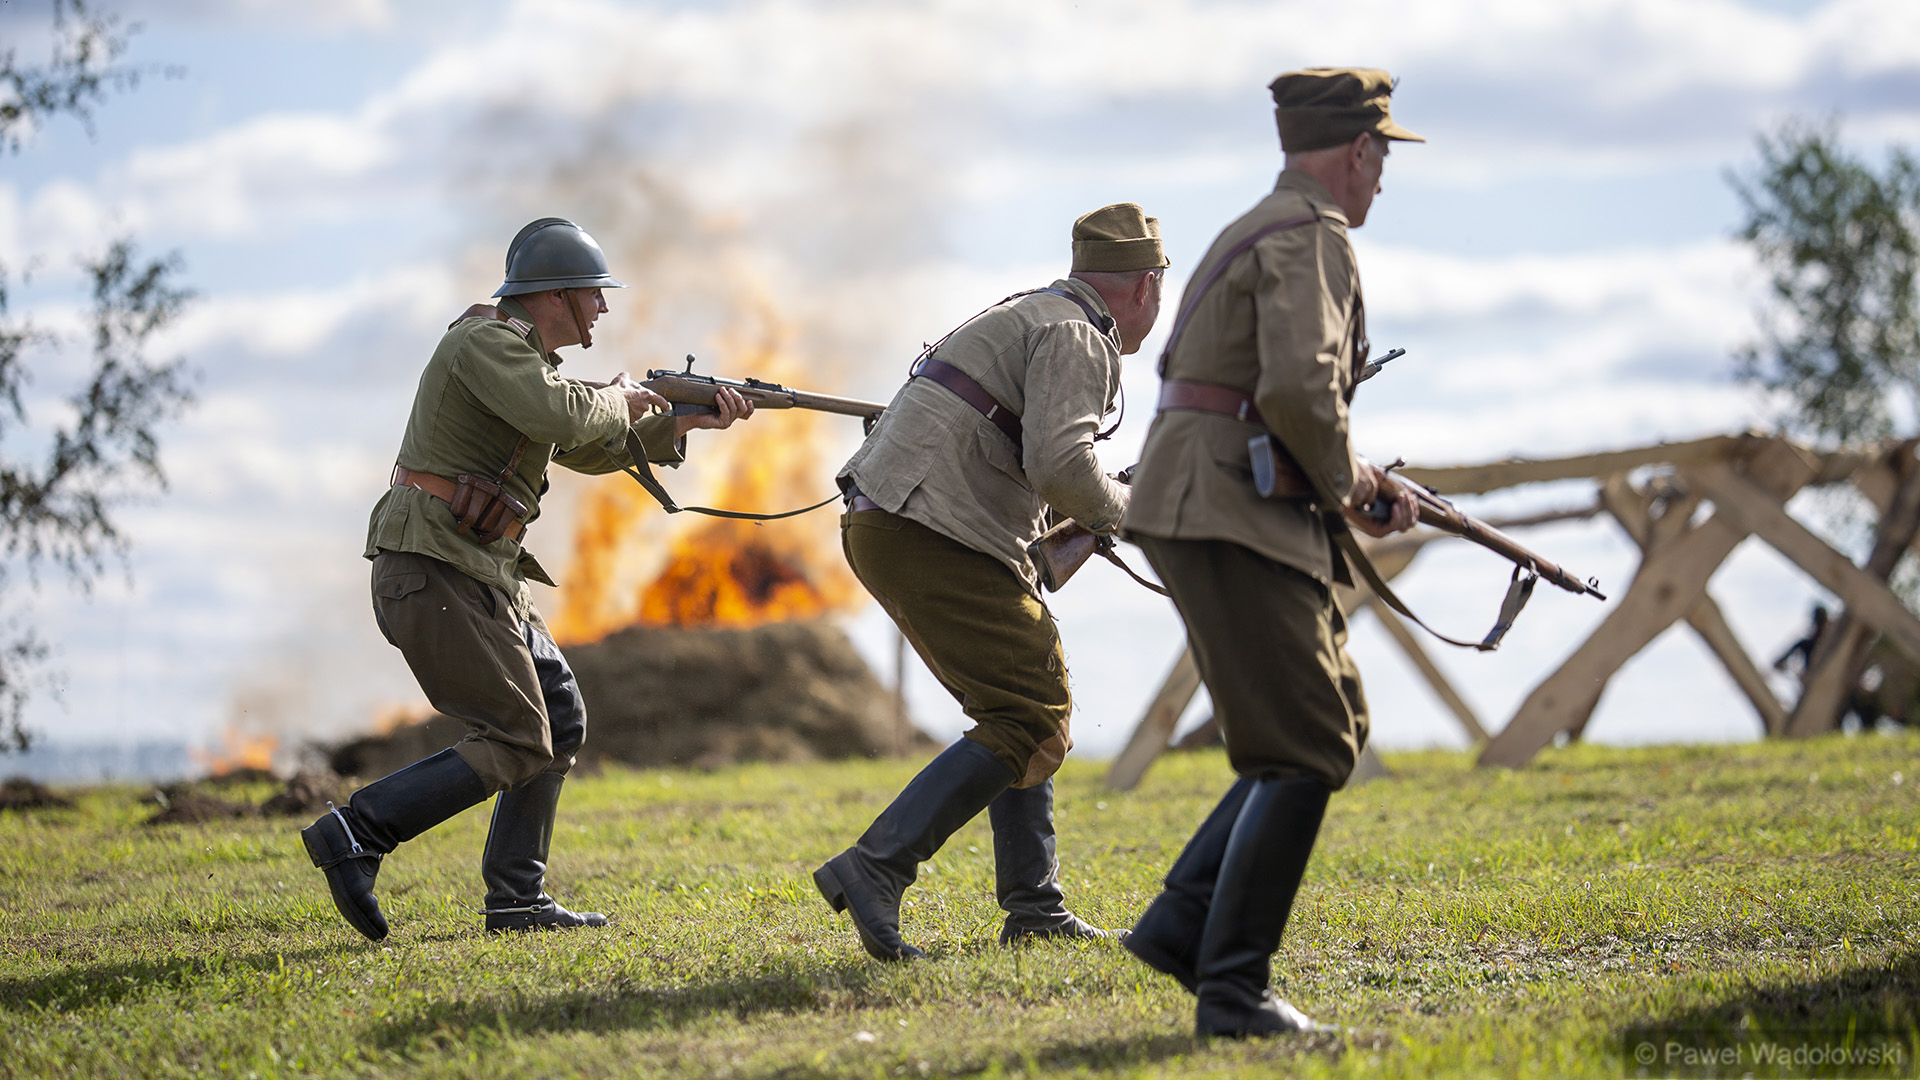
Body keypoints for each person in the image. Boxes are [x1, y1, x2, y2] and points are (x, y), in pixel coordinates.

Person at [300, 218, 754, 941]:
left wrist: (682, 425)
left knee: (558, 716)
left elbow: (584, 445)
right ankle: (358, 830)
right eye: (594, 295)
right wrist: (626, 397)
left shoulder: (524, 366)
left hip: (477, 570)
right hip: (436, 566)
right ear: (557, 296)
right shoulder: (483, 344)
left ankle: (517, 900)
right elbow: (564, 414)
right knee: (518, 738)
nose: (604, 308)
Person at [1119, 69, 1424, 1037]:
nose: (1382, 179)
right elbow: (1299, 389)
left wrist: (1352, 481)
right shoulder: (1314, 235)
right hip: (1228, 506)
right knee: (1304, 744)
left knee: (1328, 717)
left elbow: (1269, 392)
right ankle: (1233, 991)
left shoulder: (1263, 224)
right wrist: (1354, 485)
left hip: (1214, 499)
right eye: (1381, 158)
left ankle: (1180, 928)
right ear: (1358, 152)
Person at [814, 204, 1168, 960]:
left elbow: (1028, 465)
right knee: (1031, 718)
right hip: (929, 532)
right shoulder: (1080, 334)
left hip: (897, 524)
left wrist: (1077, 523)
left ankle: (1034, 907)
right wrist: (1131, 511)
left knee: (1018, 703)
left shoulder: (1035, 312)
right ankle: (877, 867)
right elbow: (1063, 466)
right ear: (1146, 287)